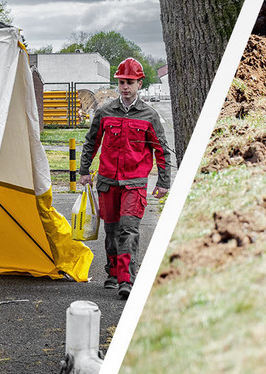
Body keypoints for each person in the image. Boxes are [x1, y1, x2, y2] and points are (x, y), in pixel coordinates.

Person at [79, 58, 172, 299]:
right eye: (121, 82)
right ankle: (112, 272)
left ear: (139, 83)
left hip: (135, 183)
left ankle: (126, 279)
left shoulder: (149, 116)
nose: (125, 87)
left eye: (129, 82)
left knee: (128, 230)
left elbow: (161, 150)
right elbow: (92, 142)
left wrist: (163, 182)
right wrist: (84, 170)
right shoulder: (105, 112)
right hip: (108, 182)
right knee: (111, 231)